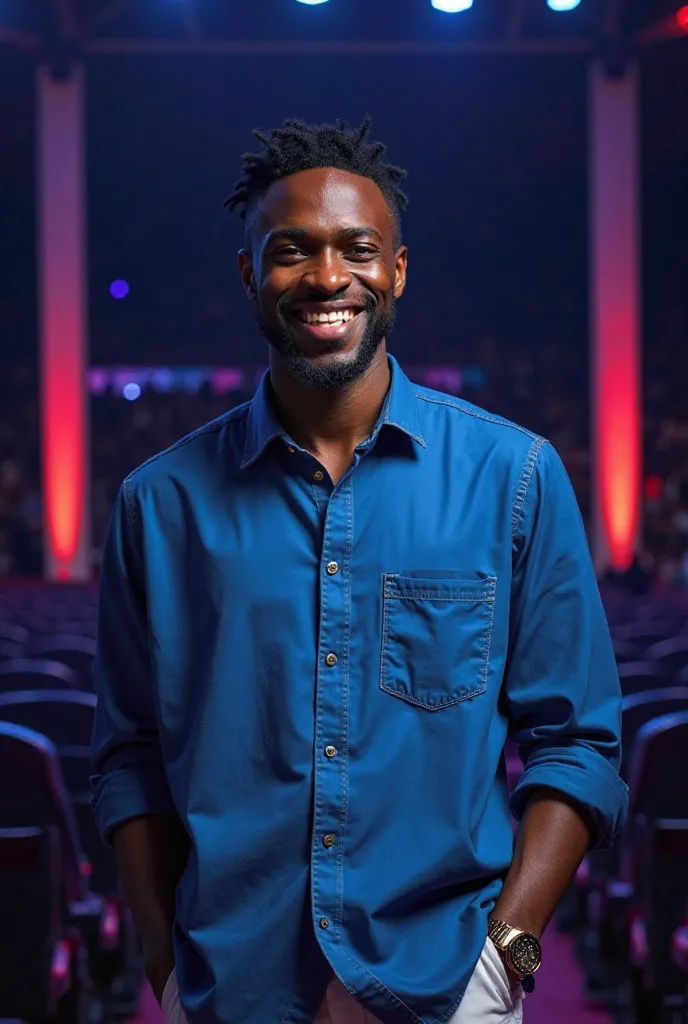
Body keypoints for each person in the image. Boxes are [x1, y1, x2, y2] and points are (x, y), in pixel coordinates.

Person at [91, 118, 628, 1024]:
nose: (327, 276)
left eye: (357, 249)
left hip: (449, 985)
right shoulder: (159, 504)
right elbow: (130, 761)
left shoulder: (517, 479)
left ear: (398, 271)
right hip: (231, 992)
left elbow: (578, 742)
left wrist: (509, 958)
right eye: (291, 250)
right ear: (249, 275)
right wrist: (164, 969)